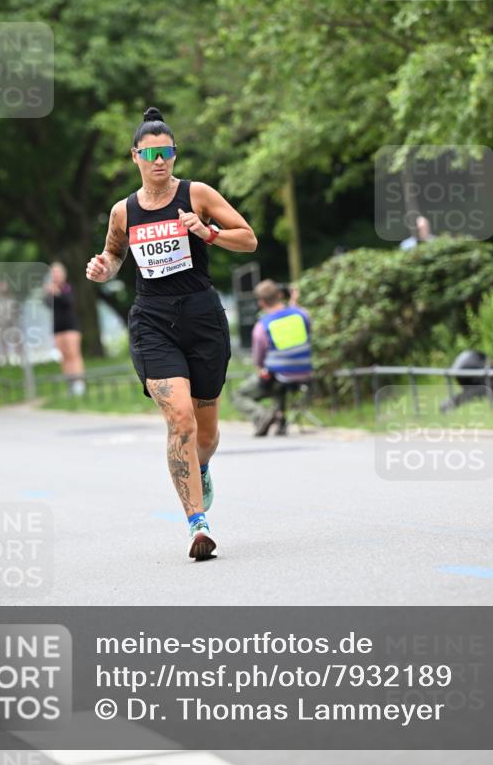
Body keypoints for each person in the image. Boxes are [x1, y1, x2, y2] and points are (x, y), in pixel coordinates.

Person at [86, 107, 257, 560]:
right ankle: (197, 524)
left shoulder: (196, 194)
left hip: (201, 318)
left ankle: (200, 467)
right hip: (153, 322)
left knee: (205, 429)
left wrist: (209, 232)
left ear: (175, 156)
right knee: (179, 417)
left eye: (168, 152)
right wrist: (104, 269)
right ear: (136, 156)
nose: (160, 161)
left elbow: (249, 239)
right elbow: (114, 254)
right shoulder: (123, 210)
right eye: (152, 153)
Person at [232, 279, 313, 437]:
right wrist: (294, 303)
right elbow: (306, 326)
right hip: (305, 373)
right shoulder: (302, 314)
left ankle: (261, 415)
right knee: (278, 377)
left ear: (261, 302)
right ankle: (280, 420)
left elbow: (259, 360)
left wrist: (261, 370)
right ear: (280, 295)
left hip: (278, 376)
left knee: (239, 393)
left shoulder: (263, 325)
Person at [44, 262, 85, 395]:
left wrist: (57, 293)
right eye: (53, 273)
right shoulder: (51, 289)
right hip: (57, 327)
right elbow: (47, 305)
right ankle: (70, 384)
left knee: (74, 355)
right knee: (64, 357)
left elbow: (69, 301)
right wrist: (48, 293)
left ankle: (79, 384)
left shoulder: (67, 287)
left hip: (71, 326)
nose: (55, 275)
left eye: (57, 272)